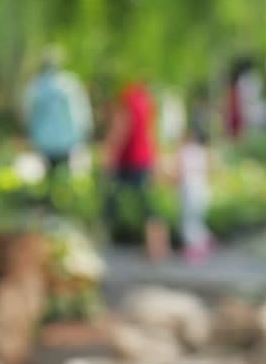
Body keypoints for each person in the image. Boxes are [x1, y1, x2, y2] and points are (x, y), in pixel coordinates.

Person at [103, 79, 163, 258]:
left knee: (110, 198)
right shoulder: (147, 100)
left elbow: (121, 128)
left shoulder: (127, 98)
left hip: (129, 160)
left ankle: (103, 238)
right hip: (144, 158)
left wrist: (111, 154)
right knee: (147, 204)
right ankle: (157, 247)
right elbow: (150, 132)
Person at [23, 48, 93, 179]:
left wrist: (30, 132)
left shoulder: (37, 86)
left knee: (50, 174)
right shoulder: (70, 84)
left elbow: (28, 112)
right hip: (66, 139)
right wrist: (85, 131)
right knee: (63, 173)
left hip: (45, 139)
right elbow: (82, 112)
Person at [177, 126, 214, 263]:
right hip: (202, 189)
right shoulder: (202, 152)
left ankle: (196, 246)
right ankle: (203, 241)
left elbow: (180, 171)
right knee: (197, 219)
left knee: (189, 220)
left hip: (189, 189)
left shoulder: (185, 151)